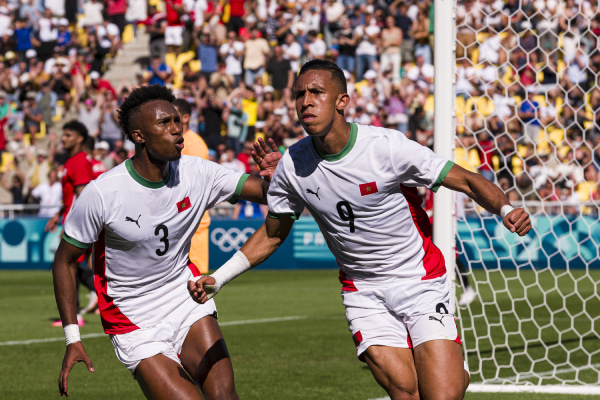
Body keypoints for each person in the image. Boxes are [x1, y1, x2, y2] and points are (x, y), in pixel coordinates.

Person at [190, 60, 533, 400]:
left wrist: (506, 209)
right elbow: (272, 233)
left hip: (419, 279)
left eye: (316, 92)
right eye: (299, 94)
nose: (306, 101)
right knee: (405, 390)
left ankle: (452, 374)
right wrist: (219, 278)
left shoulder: (385, 147)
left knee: (442, 395)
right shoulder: (291, 165)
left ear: (342, 101)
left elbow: (467, 180)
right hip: (363, 291)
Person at [52, 85, 277, 398]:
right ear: (139, 136)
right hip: (133, 319)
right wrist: (72, 338)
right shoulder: (103, 193)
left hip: (185, 299)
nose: (176, 129)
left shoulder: (198, 172)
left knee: (225, 396)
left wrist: (275, 178)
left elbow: (268, 193)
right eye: (164, 122)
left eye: (177, 121)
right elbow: (63, 261)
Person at [46, 120, 97, 327]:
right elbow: (71, 197)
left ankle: (75, 314)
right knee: (70, 264)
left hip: (76, 222)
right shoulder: (72, 160)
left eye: (68, 135)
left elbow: (82, 196)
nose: (63, 138)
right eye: (64, 134)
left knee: (66, 264)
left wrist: (72, 225)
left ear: (80, 139)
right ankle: (88, 300)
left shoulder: (78, 162)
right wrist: (59, 214)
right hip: (70, 218)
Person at [173, 97, 212, 274]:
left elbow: (197, 186)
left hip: (192, 217)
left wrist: (177, 208)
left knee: (194, 277)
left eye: (174, 115)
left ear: (186, 117)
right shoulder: (174, 142)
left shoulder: (194, 144)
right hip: (179, 216)